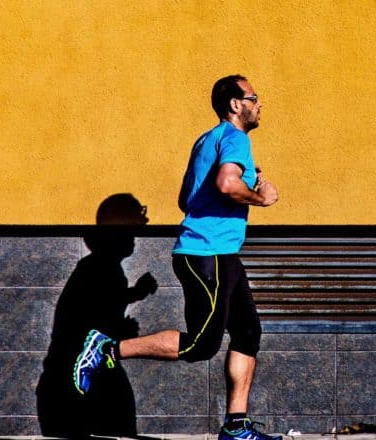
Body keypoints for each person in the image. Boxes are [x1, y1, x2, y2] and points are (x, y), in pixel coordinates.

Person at [73, 75, 280, 440]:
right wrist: (260, 196)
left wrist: (244, 179)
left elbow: (187, 200)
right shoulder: (235, 139)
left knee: (247, 333)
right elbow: (227, 185)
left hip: (221, 253)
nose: (260, 104)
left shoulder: (207, 140)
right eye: (254, 97)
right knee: (202, 344)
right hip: (208, 253)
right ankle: (107, 347)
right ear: (236, 104)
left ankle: (236, 427)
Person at [37, 193, 156, 437]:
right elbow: (89, 321)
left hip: (76, 383)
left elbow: (97, 305)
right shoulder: (101, 270)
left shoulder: (100, 268)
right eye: (132, 230)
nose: (135, 239)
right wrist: (122, 328)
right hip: (77, 387)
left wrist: (134, 295)